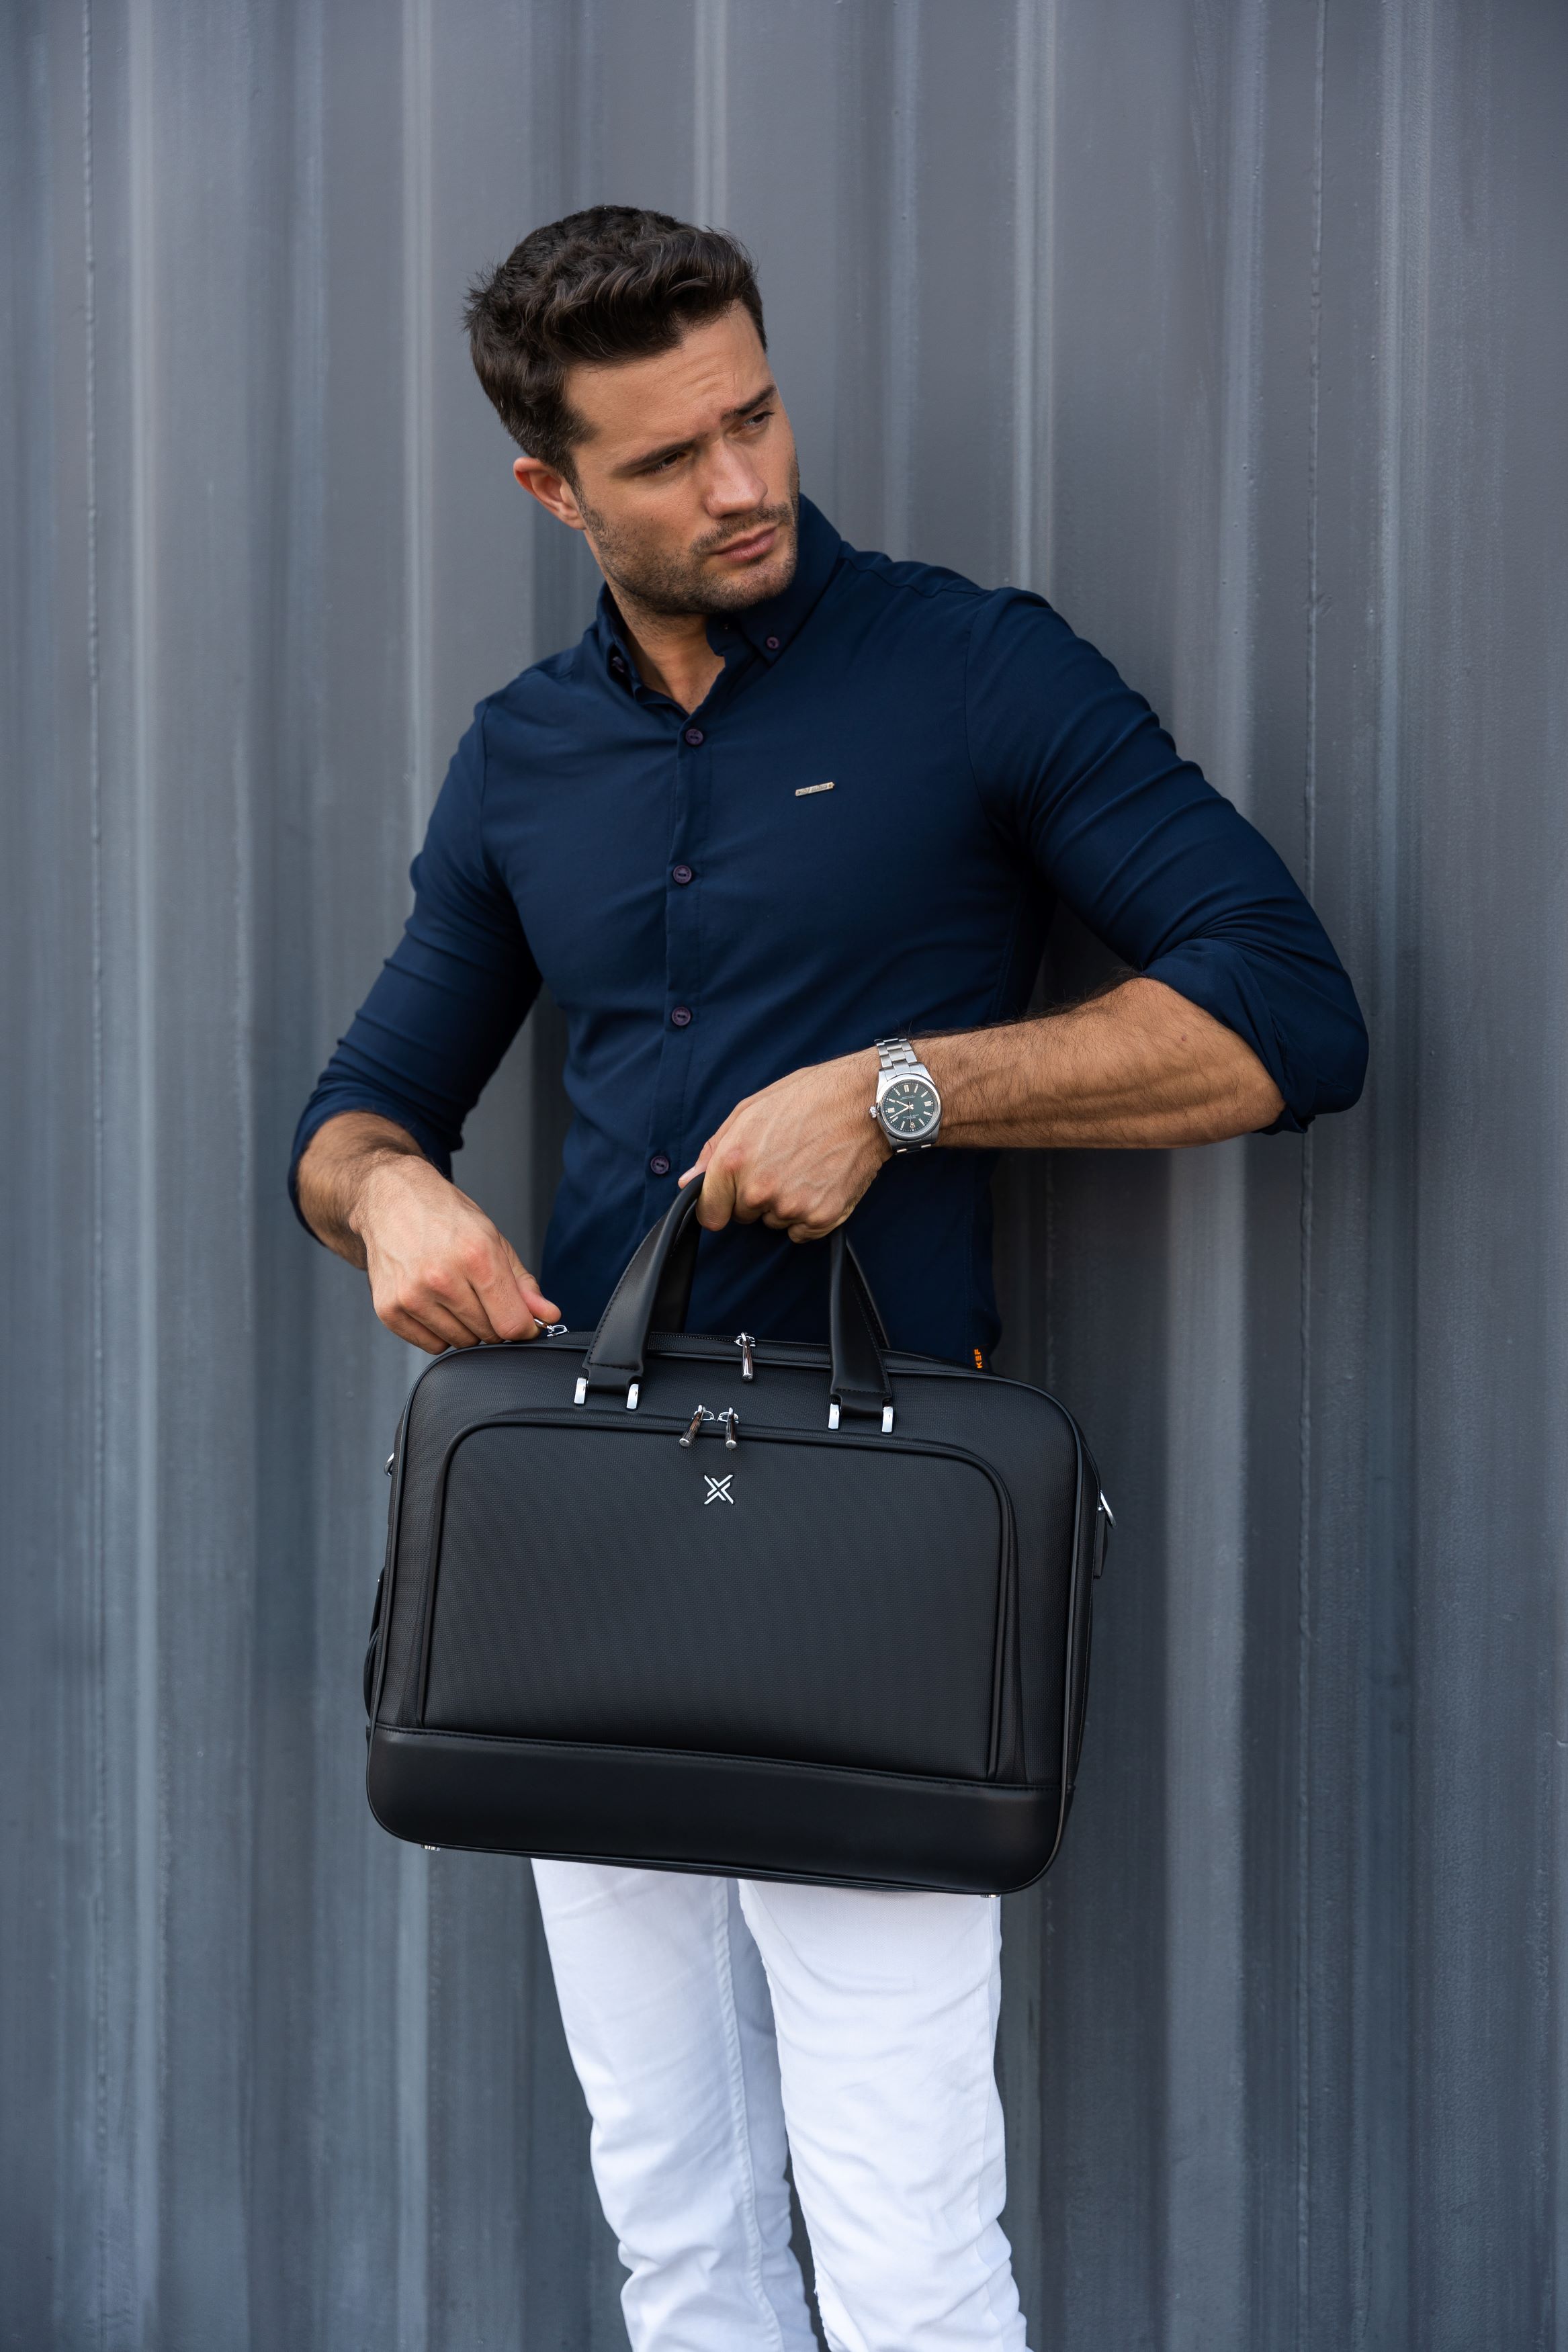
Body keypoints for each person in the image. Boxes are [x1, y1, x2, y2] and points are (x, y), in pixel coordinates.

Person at [292, 206, 1366, 2352]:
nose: (743, 482)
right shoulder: (521, 757)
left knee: (904, 2245)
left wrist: (900, 1092)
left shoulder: (976, 670)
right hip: (582, 1547)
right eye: (669, 457)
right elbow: (356, 1112)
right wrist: (389, 1198)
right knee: (675, 2225)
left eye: (757, 416)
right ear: (552, 489)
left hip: (871, 1561)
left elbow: (1286, 1016)